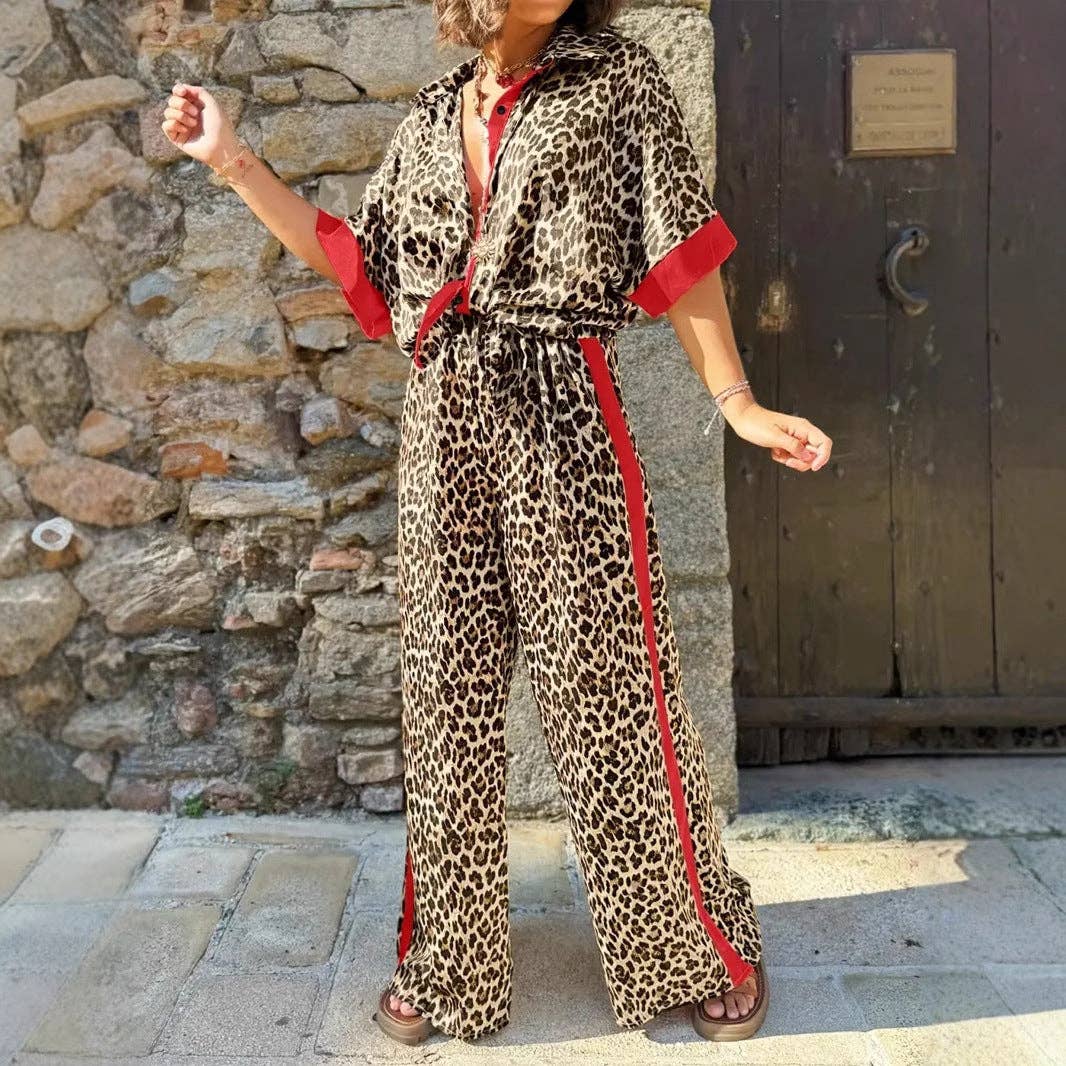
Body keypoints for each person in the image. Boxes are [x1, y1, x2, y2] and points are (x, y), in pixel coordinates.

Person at [160, 0, 831, 1048]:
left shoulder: (617, 80)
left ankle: (691, 944)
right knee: (446, 697)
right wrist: (232, 160)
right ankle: (450, 961)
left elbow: (682, 249)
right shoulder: (433, 115)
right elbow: (362, 265)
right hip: (444, 417)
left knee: (611, 692)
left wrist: (737, 404)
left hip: (565, 406)